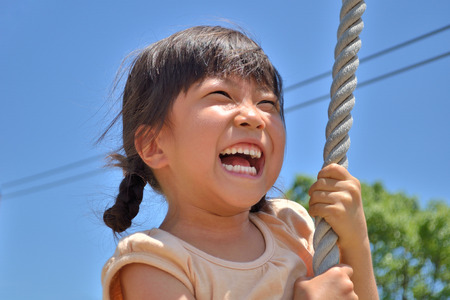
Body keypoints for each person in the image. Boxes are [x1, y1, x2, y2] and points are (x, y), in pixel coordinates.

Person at [100, 25, 378, 300]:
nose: (254, 116)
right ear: (154, 145)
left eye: (267, 103)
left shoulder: (291, 226)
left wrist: (356, 242)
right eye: (222, 95)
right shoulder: (153, 261)